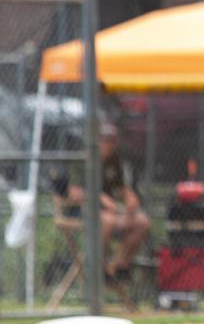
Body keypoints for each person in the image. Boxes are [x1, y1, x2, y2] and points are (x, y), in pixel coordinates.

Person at [62, 121, 151, 285]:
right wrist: (101, 198)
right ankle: (97, 266)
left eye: (111, 141)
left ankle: (117, 265)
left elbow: (122, 188)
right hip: (82, 212)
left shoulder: (114, 161)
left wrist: (131, 199)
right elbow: (73, 192)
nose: (108, 145)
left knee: (142, 222)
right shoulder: (83, 159)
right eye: (104, 140)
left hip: (111, 213)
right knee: (107, 220)